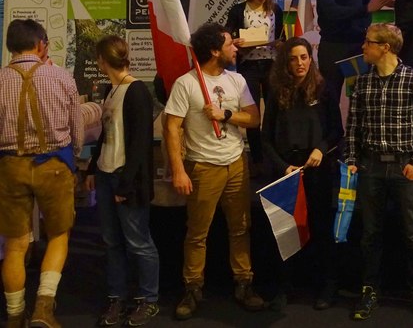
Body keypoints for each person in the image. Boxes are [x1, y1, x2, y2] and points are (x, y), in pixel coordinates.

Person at [163, 22, 265, 320]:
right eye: (230, 43)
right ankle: (192, 288)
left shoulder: (237, 80)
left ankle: (244, 283)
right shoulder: (186, 83)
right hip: (203, 167)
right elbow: (171, 127)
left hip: (236, 164)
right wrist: (178, 170)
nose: (236, 47)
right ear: (214, 51)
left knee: (241, 227)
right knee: (197, 233)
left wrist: (226, 115)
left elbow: (254, 118)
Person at [344, 23, 413, 320]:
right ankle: (369, 290)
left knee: (412, 234)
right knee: (370, 233)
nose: (363, 46)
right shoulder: (362, 82)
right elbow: (353, 127)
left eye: (368, 42)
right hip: (370, 166)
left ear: (385, 47)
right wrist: (352, 159)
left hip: (403, 165)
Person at [0, 19, 83, 328]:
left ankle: (14, 316)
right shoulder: (61, 77)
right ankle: (43, 310)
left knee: (15, 244)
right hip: (54, 167)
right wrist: (73, 160)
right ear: (40, 44)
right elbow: (76, 131)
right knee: (58, 235)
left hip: (10, 167)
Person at [262, 37, 343, 310]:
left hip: (316, 168)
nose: (300, 63)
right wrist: (282, 166)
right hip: (287, 170)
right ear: (286, 62)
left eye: (304, 57)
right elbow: (265, 138)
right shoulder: (277, 91)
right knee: (285, 231)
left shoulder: (323, 89)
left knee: (320, 227)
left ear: (311, 59)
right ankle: (284, 287)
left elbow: (336, 131)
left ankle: (327, 286)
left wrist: (321, 149)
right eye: (294, 58)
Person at [87, 36, 160, 326]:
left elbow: (141, 143)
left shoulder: (136, 91)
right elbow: (106, 134)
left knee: (138, 241)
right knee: (111, 241)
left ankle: (149, 298)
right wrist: (92, 169)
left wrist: (126, 184)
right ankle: (116, 297)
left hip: (125, 178)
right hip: (106, 173)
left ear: (102, 60)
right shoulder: (111, 89)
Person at [225, 0, 283, 177]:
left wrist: (280, 43)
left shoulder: (275, 9)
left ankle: (274, 158)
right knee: (252, 113)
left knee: (273, 110)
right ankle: (257, 159)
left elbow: (281, 35)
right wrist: (236, 42)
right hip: (248, 65)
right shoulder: (238, 10)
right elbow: (227, 35)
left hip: (271, 64)